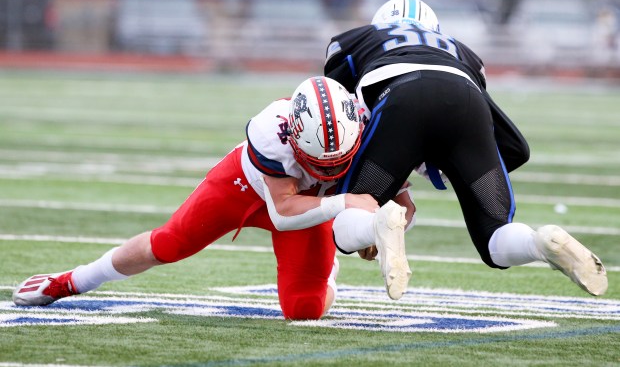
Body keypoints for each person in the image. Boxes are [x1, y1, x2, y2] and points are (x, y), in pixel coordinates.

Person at [13, 76, 413, 320]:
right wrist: (345, 203)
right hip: (252, 187)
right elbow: (284, 211)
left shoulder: (366, 123)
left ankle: (327, 273)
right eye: (320, 164)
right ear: (292, 134)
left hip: (310, 205)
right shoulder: (269, 131)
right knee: (169, 243)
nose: (330, 172)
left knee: (304, 310)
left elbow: (399, 182)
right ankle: (69, 282)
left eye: (338, 163)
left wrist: (385, 213)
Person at [324, 0, 608, 299]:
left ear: (380, 24)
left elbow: (336, 115)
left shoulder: (356, 39)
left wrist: (402, 164)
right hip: (467, 103)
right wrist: (454, 165)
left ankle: (376, 226)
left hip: (400, 100)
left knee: (344, 224)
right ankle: (540, 243)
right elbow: (516, 148)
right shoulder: (464, 52)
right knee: (494, 238)